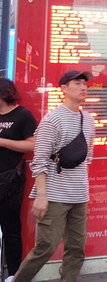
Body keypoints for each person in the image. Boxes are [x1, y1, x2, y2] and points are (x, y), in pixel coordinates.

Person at [14, 70, 96, 282]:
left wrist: (84, 188)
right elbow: (39, 160)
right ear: (64, 89)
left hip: (79, 196)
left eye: (84, 84)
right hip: (55, 195)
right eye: (77, 83)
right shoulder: (53, 119)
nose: (83, 87)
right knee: (45, 247)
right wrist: (42, 196)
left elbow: (87, 159)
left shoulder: (87, 120)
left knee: (76, 248)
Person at [0, 78, 38, 282]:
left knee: (11, 229)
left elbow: (33, 145)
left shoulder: (23, 115)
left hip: (10, 180)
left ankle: (14, 274)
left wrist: (2, 142)